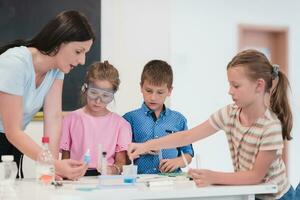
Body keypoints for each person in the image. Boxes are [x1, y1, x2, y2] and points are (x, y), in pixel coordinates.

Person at [128, 50, 294, 200]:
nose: (230, 91)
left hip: (277, 196)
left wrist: (211, 177)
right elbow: (187, 136)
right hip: (249, 192)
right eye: (230, 84)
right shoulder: (230, 113)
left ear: (259, 85)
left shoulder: (271, 127)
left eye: (236, 86)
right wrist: (145, 146)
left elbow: (255, 176)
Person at [0, 10, 95, 180]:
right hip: (10, 137)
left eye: (85, 53)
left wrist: (52, 170)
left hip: (11, 146)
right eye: (78, 51)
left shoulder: (56, 70)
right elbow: (12, 131)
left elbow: (53, 119)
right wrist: (54, 164)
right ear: (60, 42)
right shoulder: (14, 63)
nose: (82, 61)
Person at [60, 61, 132, 176]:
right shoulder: (70, 119)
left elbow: (121, 164)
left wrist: (111, 170)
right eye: (93, 93)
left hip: (106, 179)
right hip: (76, 178)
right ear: (85, 88)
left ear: (113, 95)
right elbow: (64, 160)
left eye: (105, 96)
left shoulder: (121, 124)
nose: (98, 101)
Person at [124, 60, 194, 174]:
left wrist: (178, 161)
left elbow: (188, 153)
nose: (153, 97)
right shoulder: (129, 119)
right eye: (148, 90)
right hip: (141, 181)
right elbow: (122, 156)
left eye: (160, 92)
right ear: (141, 87)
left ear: (169, 91)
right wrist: (143, 149)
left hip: (172, 181)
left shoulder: (178, 120)